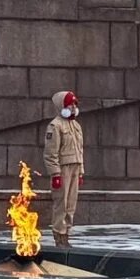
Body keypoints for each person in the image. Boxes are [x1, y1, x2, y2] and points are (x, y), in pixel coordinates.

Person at [43, 90, 84, 248]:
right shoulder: (55, 126)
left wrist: (81, 171)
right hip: (63, 168)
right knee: (62, 203)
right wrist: (55, 173)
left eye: (75, 104)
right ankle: (59, 236)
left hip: (75, 166)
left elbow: (80, 150)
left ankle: (66, 234)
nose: (73, 107)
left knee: (71, 204)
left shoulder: (76, 126)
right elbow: (50, 153)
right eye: (70, 104)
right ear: (62, 106)